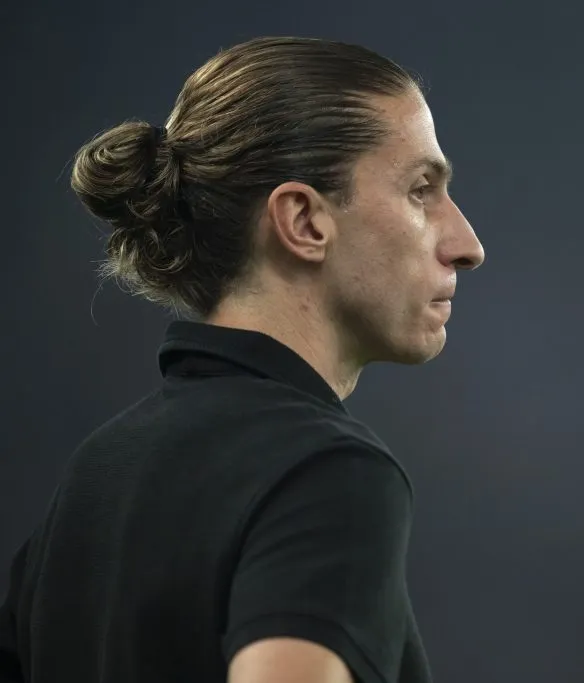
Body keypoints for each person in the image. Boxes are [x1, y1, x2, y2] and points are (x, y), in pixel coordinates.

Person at [0, 36, 484, 683]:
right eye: (422, 189)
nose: (467, 243)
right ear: (304, 221)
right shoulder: (326, 470)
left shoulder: (93, 480)